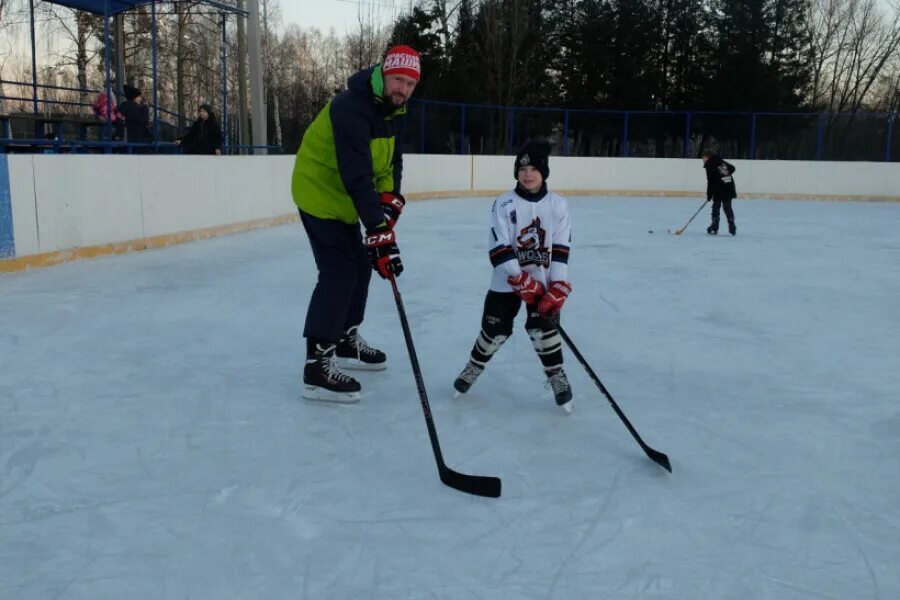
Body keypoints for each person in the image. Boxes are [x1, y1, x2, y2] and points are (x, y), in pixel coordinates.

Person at [291, 45, 420, 403]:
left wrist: (389, 207)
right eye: (398, 80)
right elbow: (358, 174)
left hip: (347, 199)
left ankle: (345, 338)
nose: (403, 89)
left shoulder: (396, 109)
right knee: (339, 271)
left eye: (410, 83)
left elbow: (393, 162)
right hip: (319, 191)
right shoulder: (351, 107)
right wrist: (378, 230)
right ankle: (316, 365)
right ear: (383, 73)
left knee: (361, 268)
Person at [453, 140, 575, 413]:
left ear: (544, 172)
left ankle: (556, 375)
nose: (527, 174)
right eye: (522, 168)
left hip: (542, 281)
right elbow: (498, 247)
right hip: (505, 281)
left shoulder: (558, 205)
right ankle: (473, 366)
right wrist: (519, 278)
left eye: (534, 168)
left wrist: (557, 285)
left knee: (544, 329)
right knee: (493, 329)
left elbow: (561, 250)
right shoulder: (504, 203)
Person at [702, 150, 737, 235]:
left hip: (719, 187)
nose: (703, 159)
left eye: (703, 157)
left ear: (708, 157)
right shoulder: (721, 161)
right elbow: (732, 168)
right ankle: (732, 227)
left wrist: (709, 194)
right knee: (727, 207)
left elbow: (710, 181)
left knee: (715, 207)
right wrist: (724, 174)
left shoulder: (709, 164)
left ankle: (714, 227)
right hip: (729, 185)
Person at [119, 84, 153, 150]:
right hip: (138, 139)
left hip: (135, 137)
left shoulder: (127, 106)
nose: (140, 99)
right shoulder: (132, 108)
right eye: (139, 97)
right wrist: (145, 108)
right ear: (134, 97)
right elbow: (144, 121)